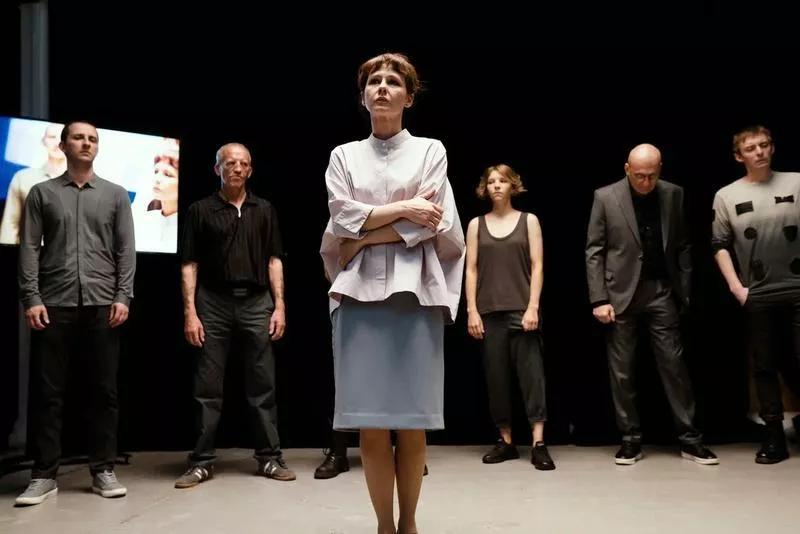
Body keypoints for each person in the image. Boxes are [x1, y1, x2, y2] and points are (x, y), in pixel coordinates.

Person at [319, 52, 465, 534]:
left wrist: (364, 237)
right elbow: (342, 218)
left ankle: (409, 523)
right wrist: (403, 208)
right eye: (374, 81)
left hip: (414, 296)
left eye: (393, 82)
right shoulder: (343, 155)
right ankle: (385, 526)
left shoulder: (431, 151)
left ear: (409, 97)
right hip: (358, 299)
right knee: (371, 424)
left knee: (413, 421)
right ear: (363, 96)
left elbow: (432, 222)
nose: (382, 87)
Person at [15, 120, 136, 506]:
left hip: (103, 305)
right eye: (79, 138)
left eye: (92, 139)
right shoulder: (42, 193)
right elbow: (29, 247)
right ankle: (43, 475)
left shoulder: (116, 195)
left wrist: (123, 296)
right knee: (48, 394)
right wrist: (31, 297)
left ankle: (103, 469)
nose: (86, 143)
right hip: (53, 304)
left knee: (104, 392)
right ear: (64, 145)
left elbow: (126, 250)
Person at [585, 143, 718, 465]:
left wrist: (684, 288)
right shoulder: (605, 197)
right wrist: (599, 298)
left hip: (661, 290)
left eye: (652, 176)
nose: (646, 182)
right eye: (639, 176)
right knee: (622, 372)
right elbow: (594, 250)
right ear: (627, 169)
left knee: (674, 366)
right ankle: (630, 440)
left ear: (660, 170)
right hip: (620, 293)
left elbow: (683, 244)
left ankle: (690, 439)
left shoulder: (674, 194)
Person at [174, 142, 293, 488]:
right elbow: (189, 264)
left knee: (263, 385)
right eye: (229, 163)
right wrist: (190, 312)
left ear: (250, 170)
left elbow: (274, 259)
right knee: (207, 386)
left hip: (257, 302)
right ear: (217, 169)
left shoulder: (264, 209)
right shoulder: (200, 210)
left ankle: (269, 458)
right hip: (213, 303)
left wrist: (280, 305)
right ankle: (201, 462)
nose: (237, 168)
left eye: (243, 164)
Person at [711, 125, 800, 464]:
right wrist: (737, 288)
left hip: (797, 287)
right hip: (759, 292)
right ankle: (774, 434)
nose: (759, 152)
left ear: (772, 148)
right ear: (739, 156)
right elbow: (719, 244)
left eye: (764, 145)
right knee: (764, 365)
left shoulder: (796, 182)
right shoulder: (727, 195)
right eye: (751, 148)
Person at [464, 164, 555, 471]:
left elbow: (537, 265)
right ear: (485, 188)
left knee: (532, 376)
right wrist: (472, 310)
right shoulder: (476, 225)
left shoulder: (529, 221)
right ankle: (506, 441)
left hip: (521, 308)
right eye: (491, 181)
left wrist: (533, 307)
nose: (496, 186)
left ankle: (538, 442)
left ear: (512, 185)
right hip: (489, 311)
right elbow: (471, 268)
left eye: (502, 181)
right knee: (496, 378)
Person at [0, 122, 66, 245]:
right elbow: (10, 224)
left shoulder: (85, 183)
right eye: (52, 137)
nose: (57, 143)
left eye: (63, 137)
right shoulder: (23, 178)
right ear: (43, 141)